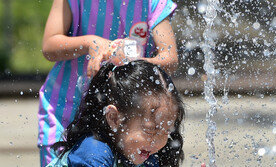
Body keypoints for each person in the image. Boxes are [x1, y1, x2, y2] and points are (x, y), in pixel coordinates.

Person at [39, 0, 178, 166]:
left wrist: (129, 64)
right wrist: (90, 43)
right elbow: (49, 46)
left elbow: (169, 59)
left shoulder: (152, 3)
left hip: (133, 117)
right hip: (65, 111)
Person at [46, 60, 185, 167]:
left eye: (166, 132)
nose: (158, 142)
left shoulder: (145, 156)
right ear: (113, 118)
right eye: (149, 130)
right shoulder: (93, 154)